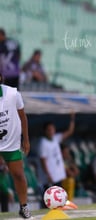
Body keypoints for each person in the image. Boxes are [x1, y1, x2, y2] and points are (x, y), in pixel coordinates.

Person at [0, 74, 32, 218]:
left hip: (11, 143)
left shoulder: (13, 94)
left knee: (19, 175)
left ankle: (23, 207)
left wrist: (25, 139)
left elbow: (22, 117)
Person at [39, 112, 75, 199]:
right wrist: (48, 175)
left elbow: (69, 131)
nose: (51, 131)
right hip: (49, 177)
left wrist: (72, 119)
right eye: (49, 129)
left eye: (52, 129)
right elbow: (43, 160)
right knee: (49, 199)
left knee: (59, 198)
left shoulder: (56, 138)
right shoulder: (43, 143)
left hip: (58, 175)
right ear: (45, 131)